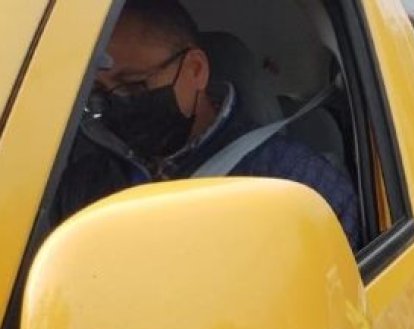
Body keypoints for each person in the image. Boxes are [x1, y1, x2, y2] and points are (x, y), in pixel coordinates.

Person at [53, 0, 362, 249]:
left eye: (134, 86)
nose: (116, 103)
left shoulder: (297, 185)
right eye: (97, 93)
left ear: (196, 70)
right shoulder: (81, 184)